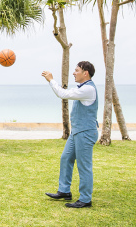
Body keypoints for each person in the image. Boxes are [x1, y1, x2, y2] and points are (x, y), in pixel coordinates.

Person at [41, 61, 98, 208]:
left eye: (77, 70)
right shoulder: (83, 88)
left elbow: (63, 94)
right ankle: (64, 191)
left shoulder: (88, 89)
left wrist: (51, 80)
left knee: (84, 166)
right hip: (77, 132)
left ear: (85, 73)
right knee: (66, 158)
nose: (74, 73)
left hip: (85, 133)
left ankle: (85, 199)